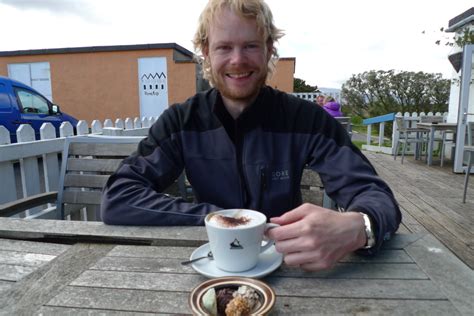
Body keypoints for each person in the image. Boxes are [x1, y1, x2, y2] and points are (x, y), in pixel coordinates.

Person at [101, 0, 401, 271]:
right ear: (206, 52)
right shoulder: (182, 121)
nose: (237, 60)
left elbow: (375, 197)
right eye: (224, 47)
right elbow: (119, 198)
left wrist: (359, 226)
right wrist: (218, 220)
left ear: (269, 49)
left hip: (293, 264)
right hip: (209, 264)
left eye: (251, 46)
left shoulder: (305, 119)